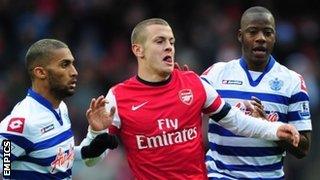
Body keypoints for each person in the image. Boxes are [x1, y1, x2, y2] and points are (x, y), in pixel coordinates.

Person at [90, 18, 300, 179]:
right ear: (138, 50)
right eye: (159, 41)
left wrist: (275, 129)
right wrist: (95, 132)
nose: (169, 47)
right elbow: (93, 159)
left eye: (171, 41)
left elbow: (235, 121)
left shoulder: (194, 83)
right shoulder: (118, 96)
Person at [201, 6, 312, 179]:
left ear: (274, 37)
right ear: (240, 36)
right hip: (220, 175)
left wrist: (268, 127)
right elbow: (184, 106)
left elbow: (303, 149)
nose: (261, 38)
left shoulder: (293, 81)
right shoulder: (215, 74)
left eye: (267, 33)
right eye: (252, 32)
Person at [0, 39, 118, 179]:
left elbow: (53, 157)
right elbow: (5, 164)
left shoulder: (61, 108)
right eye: (64, 65)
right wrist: (7, 175)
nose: (74, 72)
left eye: (72, 64)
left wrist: (89, 146)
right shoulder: (23, 123)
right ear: (40, 72)